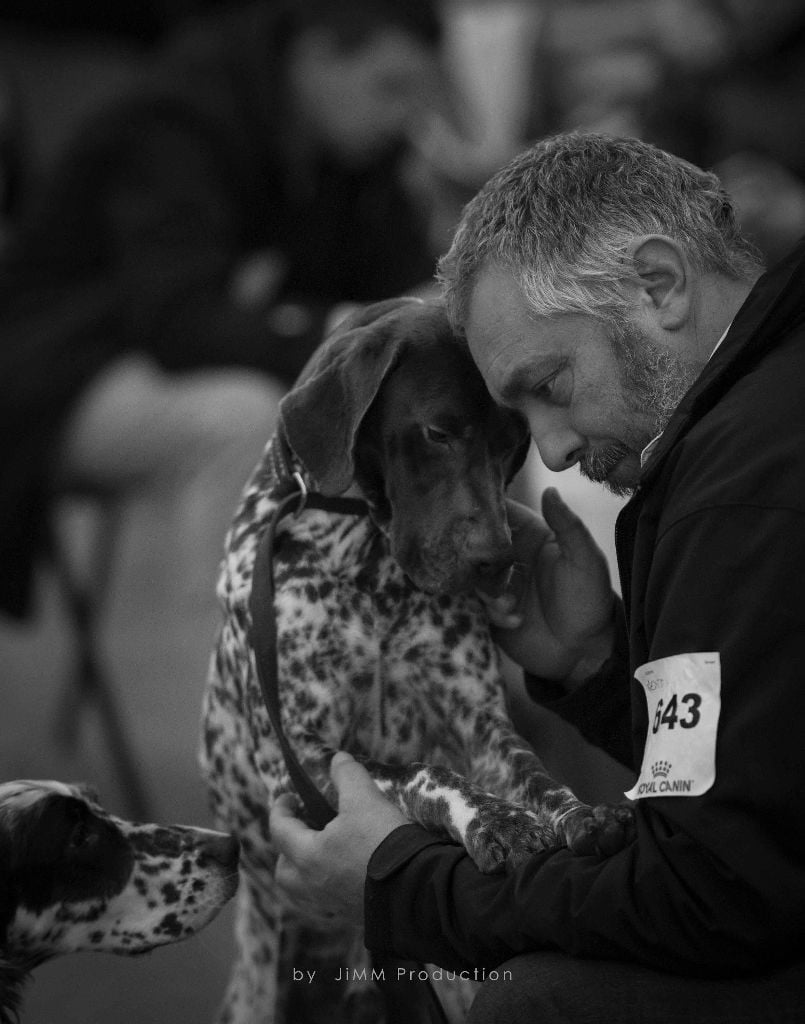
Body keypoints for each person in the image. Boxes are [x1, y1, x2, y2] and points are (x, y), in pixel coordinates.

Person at [269, 132, 805, 1021]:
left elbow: (711, 895)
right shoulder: (760, 417)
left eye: (548, 387)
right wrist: (596, 665)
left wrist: (402, 884)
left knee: (531, 1003)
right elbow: (761, 802)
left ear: (658, 285)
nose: (549, 452)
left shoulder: (740, 494)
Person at [0, 0, 442, 619]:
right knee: (243, 420)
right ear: (316, 57)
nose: (405, 116)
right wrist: (347, 331)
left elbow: (398, 280)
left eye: (417, 94)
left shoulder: (351, 146)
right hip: (55, 373)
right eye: (389, 87)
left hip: (166, 353)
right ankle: (241, 673)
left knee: (436, 392)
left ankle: (432, 658)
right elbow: (177, 320)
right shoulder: (179, 122)